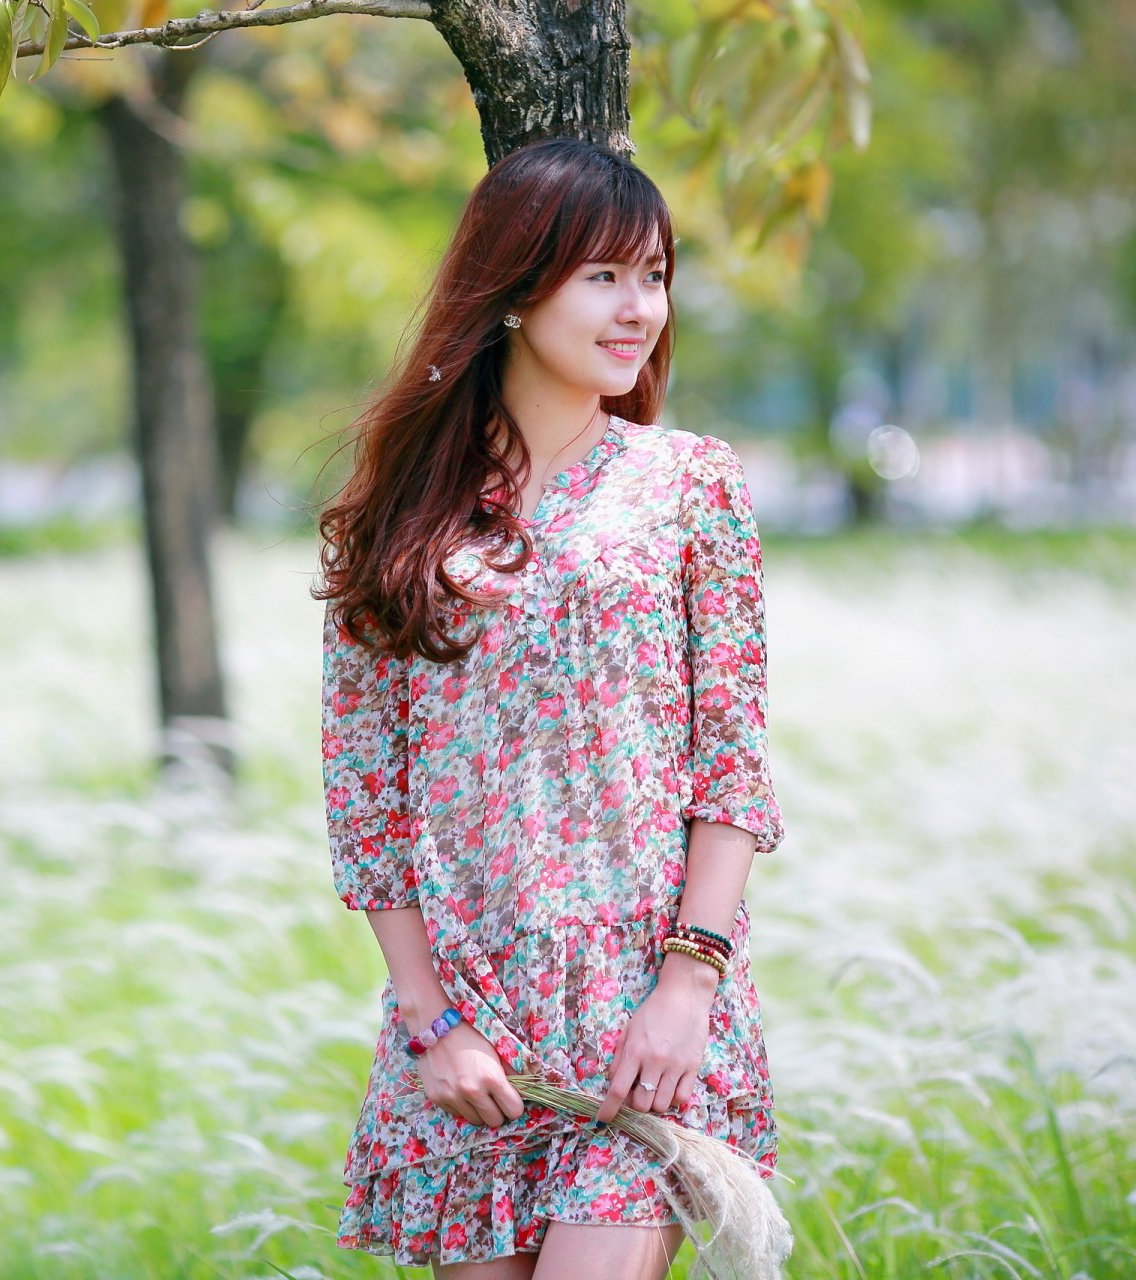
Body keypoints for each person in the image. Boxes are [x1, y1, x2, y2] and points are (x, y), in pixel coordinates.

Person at [313, 136, 787, 1279]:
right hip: (472, 1035)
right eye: (606, 277)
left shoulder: (690, 486)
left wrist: (687, 986)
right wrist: (431, 1021)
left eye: (656, 276)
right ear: (517, 290)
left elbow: (731, 762)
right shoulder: (402, 519)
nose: (641, 310)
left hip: (644, 1015)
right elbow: (368, 803)